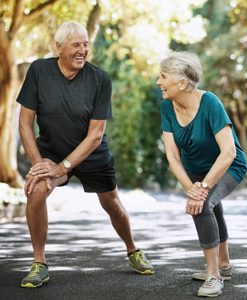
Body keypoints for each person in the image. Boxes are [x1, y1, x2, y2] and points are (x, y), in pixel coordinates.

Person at [17, 21, 154, 288]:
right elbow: (24, 124)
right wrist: (38, 166)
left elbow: (96, 135)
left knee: (112, 204)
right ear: (58, 48)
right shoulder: (39, 71)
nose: (83, 50)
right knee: (36, 190)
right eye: (76, 45)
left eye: (86, 44)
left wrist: (64, 167)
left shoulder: (99, 79)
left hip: (91, 153)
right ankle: (39, 263)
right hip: (51, 150)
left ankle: (132, 249)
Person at [157, 51, 247, 298]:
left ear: (182, 83)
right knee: (208, 204)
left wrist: (201, 190)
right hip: (196, 171)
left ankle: (214, 275)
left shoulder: (210, 103)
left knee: (203, 204)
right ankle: (224, 265)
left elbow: (228, 153)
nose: (158, 82)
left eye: (163, 77)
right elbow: (172, 157)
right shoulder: (167, 107)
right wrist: (190, 188)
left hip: (229, 166)